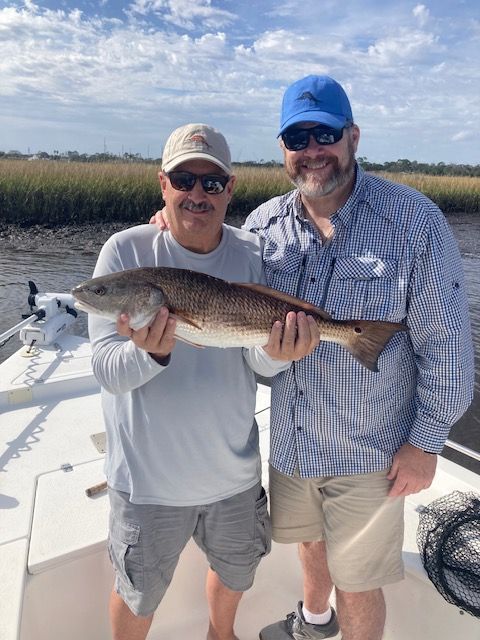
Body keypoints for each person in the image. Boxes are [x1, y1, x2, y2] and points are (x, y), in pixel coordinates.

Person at [241, 76, 475, 640]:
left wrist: (425, 442)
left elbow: (447, 350)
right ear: (282, 148)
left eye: (325, 133)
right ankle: (314, 623)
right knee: (310, 544)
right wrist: (163, 232)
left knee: (359, 581)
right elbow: (217, 289)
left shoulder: (414, 221)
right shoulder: (261, 228)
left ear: (353, 137)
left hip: (370, 451)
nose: (312, 150)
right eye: (298, 137)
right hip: (293, 444)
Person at [89, 123, 320, 640]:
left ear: (230, 189)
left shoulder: (253, 253)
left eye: (211, 183)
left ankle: (221, 635)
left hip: (232, 476)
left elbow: (257, 366)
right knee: (138, 594)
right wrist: (152, 356)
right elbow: (106, 369)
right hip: (147, 483)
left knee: (236, 573)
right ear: (162, 184)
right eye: (183, 179)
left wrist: (280, 355)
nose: (197, 193)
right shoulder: (124, 254)